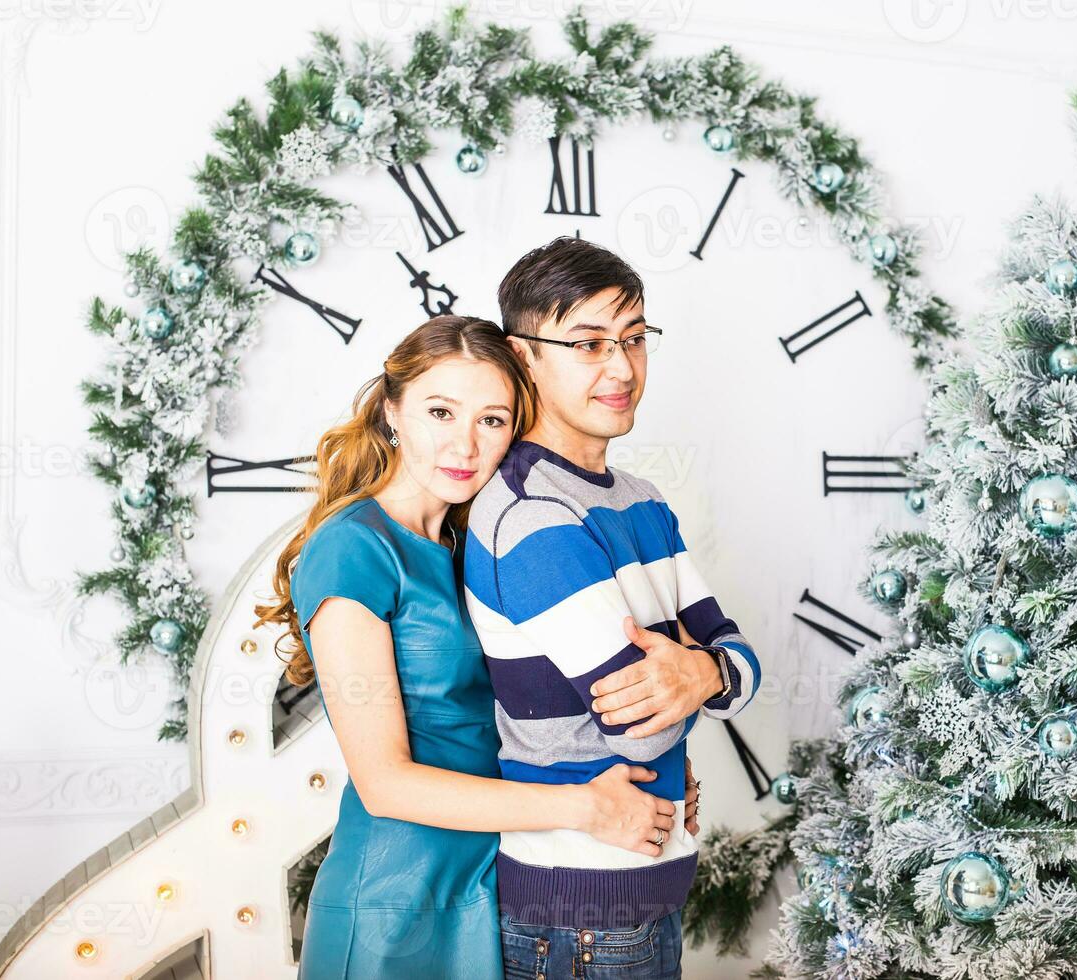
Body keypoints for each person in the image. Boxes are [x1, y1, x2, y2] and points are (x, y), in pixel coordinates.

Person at [253, 314, 703, 979]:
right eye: (441, 411)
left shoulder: (480, 540)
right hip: (399, 900)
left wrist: (662, 773)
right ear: (392, 409)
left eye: (492, 420)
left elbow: (547, 699)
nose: (463, 444)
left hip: (496, 881)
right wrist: (587, 807)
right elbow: (384, 784)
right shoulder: (354, 549)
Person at [464, 238, 762, 979]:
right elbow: (641, 729)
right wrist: (706, 676)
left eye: (633, 339)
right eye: (589, 343)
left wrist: (699, 673)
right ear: (524, 356)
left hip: (645, 881)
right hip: (578, 908)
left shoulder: (642, 501)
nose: (623, 368)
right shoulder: (532, 516)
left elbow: (741, 662)